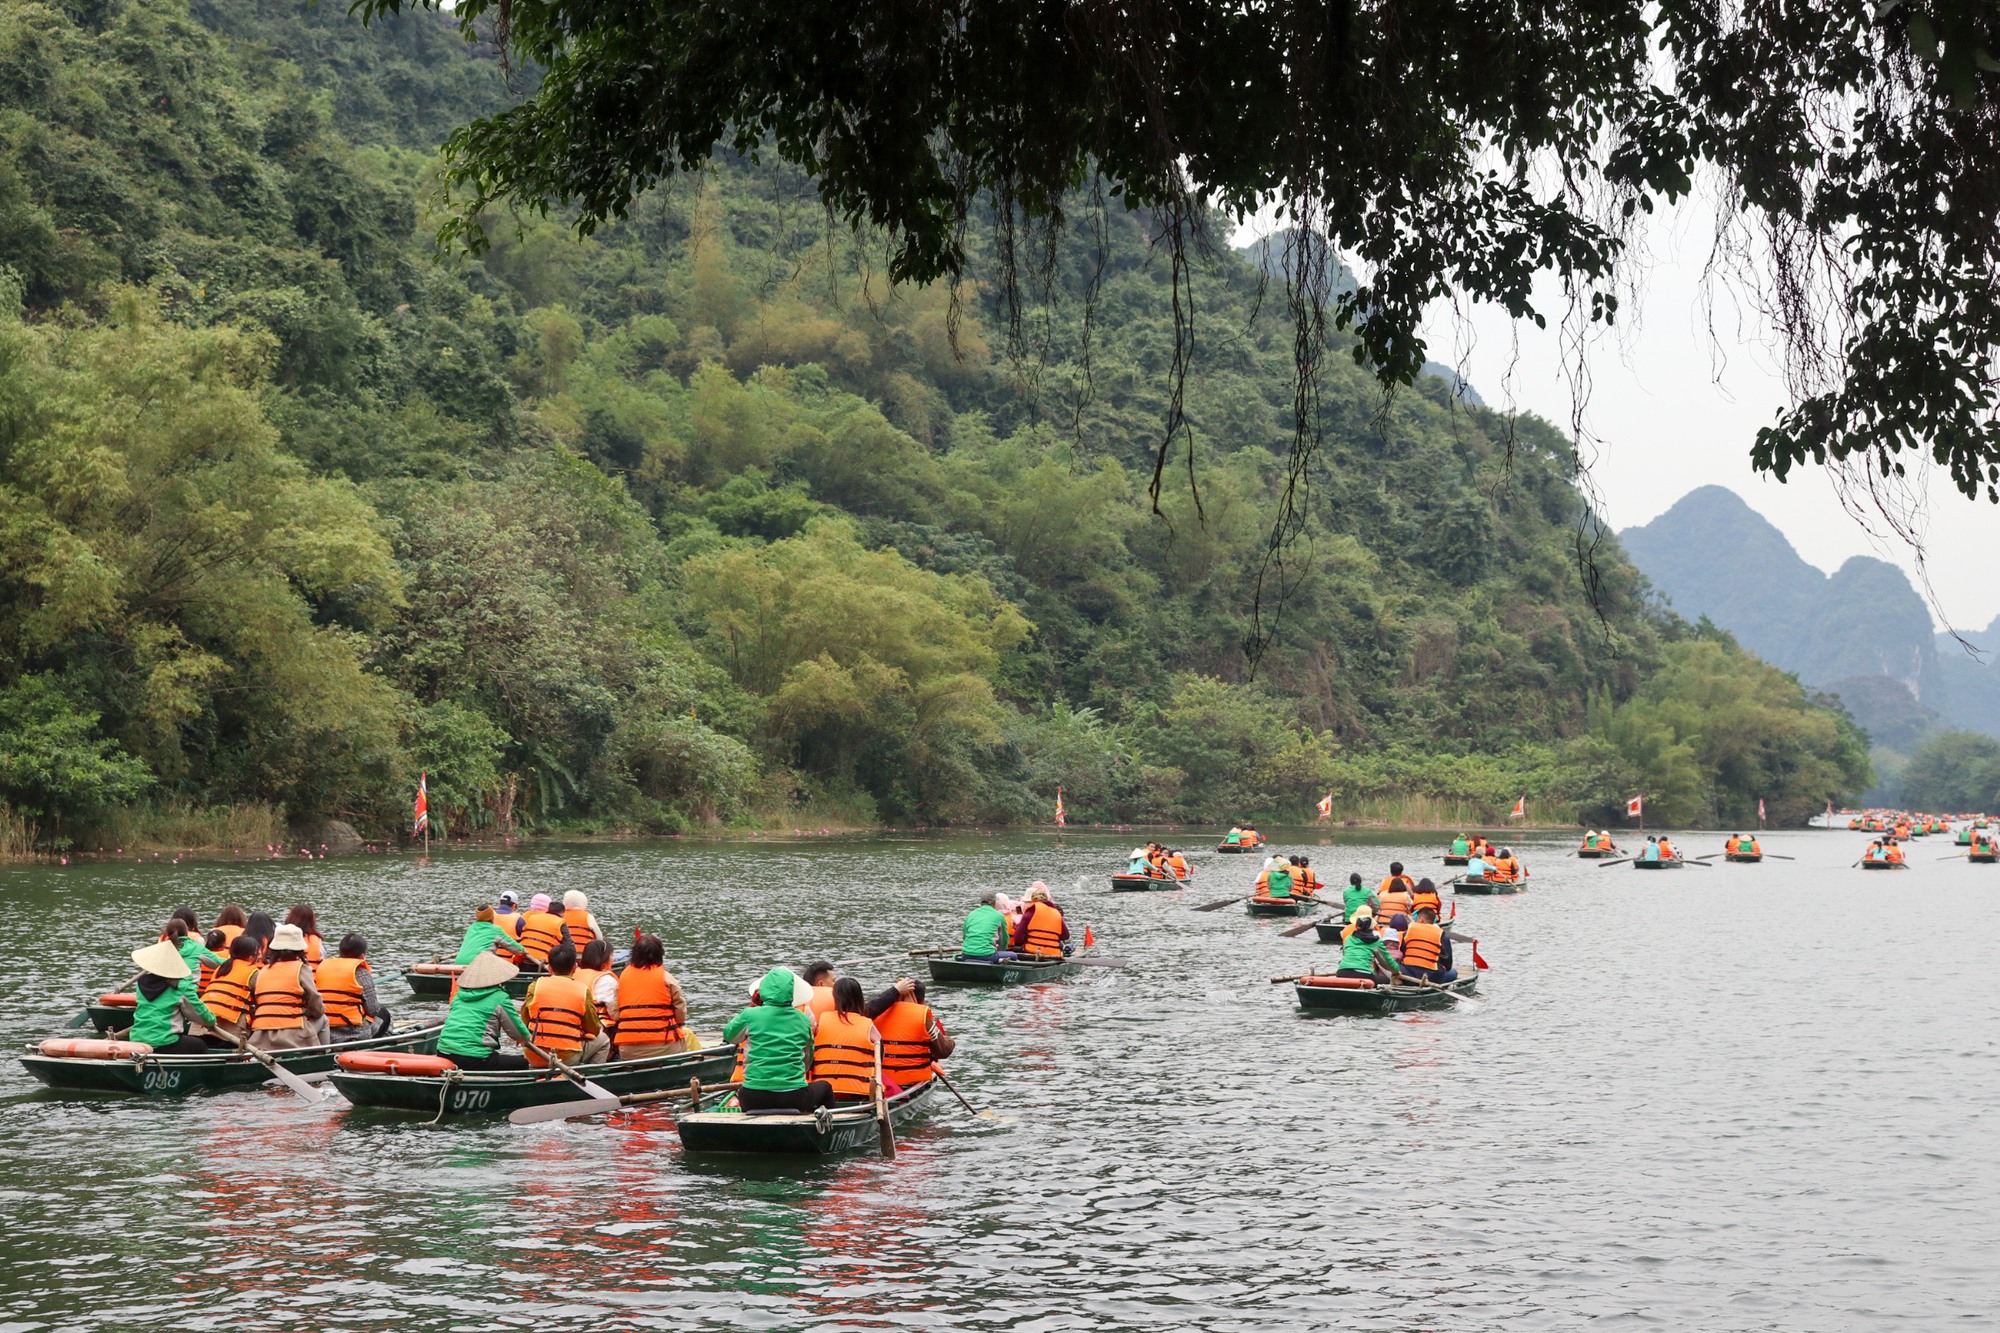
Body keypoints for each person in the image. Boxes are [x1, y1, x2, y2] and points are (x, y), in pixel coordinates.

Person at [723, 967, 831, 1114]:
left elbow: (729, 1036)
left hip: (752, 1098)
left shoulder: (750, 1014)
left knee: (744, 1090)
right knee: (825, 1087)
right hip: (794, 1097)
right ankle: (826, 1128)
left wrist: (753, 1006)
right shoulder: (803, 1019)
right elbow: (807, 1061)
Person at [437, 951, 533, 1071]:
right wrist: (525, 1038)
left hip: (443, 1053)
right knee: (524, 1062)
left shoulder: (458, 996)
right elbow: (518, 1033)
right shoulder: (499, 997)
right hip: (474, 1058)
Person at [125, 941, 218, 1055]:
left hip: (137, 1038)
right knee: (200, 1046)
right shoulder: (180, 987)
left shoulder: (141, 984)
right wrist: (211, 1020)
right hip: (165, 1042)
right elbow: (203, 1017)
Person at [523, 942, 607, 1066]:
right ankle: (591, 1076)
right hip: (567, 1057)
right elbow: (593, 1028)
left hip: (534, 1054)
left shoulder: (535, 986)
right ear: (574, 967)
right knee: (604, 1040)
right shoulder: (582, 990)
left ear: (550, 968)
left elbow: (525, 1019)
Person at [249, 924, 329, 1051]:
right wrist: (312, 1012)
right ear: (299, 950)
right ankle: (324, 1056)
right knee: (323, 1018)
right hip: (293, 1035)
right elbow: (315, 1002)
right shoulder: (301, 969)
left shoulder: (263, 970)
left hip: (261, 1036)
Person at [867, 976, 955, 1089]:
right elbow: (943, 1051)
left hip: (882, 1081)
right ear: (922, 1001)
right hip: (910, 1082)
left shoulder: (875, 1015)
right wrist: (950, 1041)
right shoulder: (922, 1018)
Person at [614, 933, 689, 1058]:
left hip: (628, 1050)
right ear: (660, 954)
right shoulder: (667, 978)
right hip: (663, 1046)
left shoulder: (621, 979)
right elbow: (680, 1011)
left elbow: (615, 1013)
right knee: (687, 1036)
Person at [810, 977, 881, 1101]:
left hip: (822, 1090)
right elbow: (880, 1054)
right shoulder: (868, 1025)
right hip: (858, 1092)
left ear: (835, 998)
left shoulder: (822, 1020)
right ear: (860, 998)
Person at [317, 933, 389, 1041]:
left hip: (325, 1032)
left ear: (340, 952)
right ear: (362, 955)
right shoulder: (361, 972)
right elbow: (373, 1009)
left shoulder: (322, 968)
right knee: (384, 1014)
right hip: (354, 1033)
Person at [199, 934, 263, 1040]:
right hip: (229, 1031)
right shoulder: (253, 972)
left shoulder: (220, 968)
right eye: (257, 954)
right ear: (251, 957)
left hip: (201, 1025)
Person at [1333, 914, 1402, 984]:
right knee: (1386, 980)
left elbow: (1345, 955)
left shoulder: (1348, 939)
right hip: (1364, 975)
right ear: (1372, 928)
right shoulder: (1376, 942)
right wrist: (1396, 970)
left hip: (1342, 973)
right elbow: (1388, 961)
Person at [454, 905, 530, 966]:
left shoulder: (472, 927)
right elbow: (514, 947)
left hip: (459, 963)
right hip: (479, 965)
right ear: (492, 917)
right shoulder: (495, 930)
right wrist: (524, 951)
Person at [1399, 906, 1457, 983]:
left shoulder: (1409, 929)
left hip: (1408, 973)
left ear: (1421, 919)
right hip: (1431, 977)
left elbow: (1403, 951)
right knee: (1453, 972)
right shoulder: (1441, 934)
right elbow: (1448, 964)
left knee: (1396, 964)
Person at [574, 938, 621, 1031]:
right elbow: (614, 1014)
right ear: (604, 960)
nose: (613, 959)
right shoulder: (608, 980)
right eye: (612, 956)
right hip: (597, 1028)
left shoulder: (573, 975)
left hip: (573, 1024)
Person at [1012, 883, 1069, 957]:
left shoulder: (1029, 913)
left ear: (1033, 900)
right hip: (1053, 953)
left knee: (1016, 948)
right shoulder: (1057, 913)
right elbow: (1066, 936)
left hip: (1032, 952)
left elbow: (1018, 938)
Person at [516, 893, 572, 966]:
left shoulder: (528, 918)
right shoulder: (559, 923)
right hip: (544, 963)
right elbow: (569, 947)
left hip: (524, 959)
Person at [961, 893, 1012, 960]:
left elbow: (965, 936)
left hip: (966, 954)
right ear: (994, 903)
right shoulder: (999, 916)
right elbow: (1004, 939)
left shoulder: (971, 914)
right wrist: (1000, 951)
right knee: (1013, 955)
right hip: (986, 955)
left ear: (981, 903)